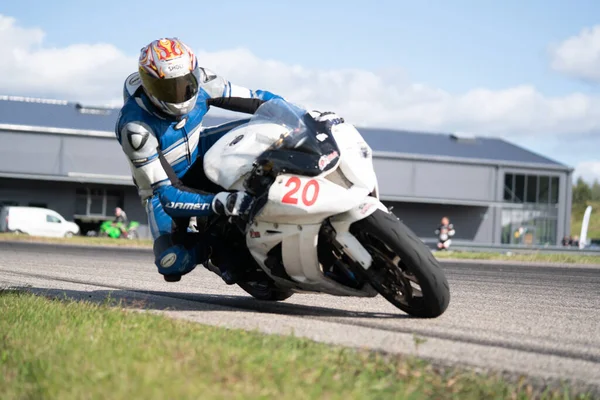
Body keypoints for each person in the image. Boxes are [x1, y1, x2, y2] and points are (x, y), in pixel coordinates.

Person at [114, 37, 343, 284]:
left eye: (184, 84)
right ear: (148, 87)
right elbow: (167, 195)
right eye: (167, 89)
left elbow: (260, 99)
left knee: (269, 128)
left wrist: (304, 115)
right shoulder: (135, 128)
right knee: (171, 263)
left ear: (194, 73)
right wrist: (222, 202)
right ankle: (214, 246)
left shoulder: (204, 82)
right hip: (164, 187)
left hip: (200, 149)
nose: (179, 95)